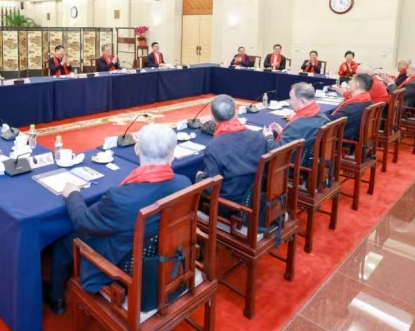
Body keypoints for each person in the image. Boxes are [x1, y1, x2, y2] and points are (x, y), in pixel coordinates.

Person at [46, 124, 190, 314]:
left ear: (136, 148)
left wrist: (73, 194)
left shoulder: (120, 198)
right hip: (164, 255)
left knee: (64, 242)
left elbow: (83, 223)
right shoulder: (184, 183)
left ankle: (56, 298)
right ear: (172, 154)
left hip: (124, 266)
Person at [197, 95, 268, 208]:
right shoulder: (258, 136)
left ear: (212, 118)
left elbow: (209, 188)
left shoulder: (214, 147)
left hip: (231, 206)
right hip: (257, 197)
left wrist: (199, 177)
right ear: (236, 112)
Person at [263, 83, 330, 153]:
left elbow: (275, 151)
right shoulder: (321, 116)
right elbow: (299, 135)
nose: (290, 103)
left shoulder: (297, 125)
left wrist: (269, 137)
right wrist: (283, 132)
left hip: (293, 158)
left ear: (302, 102)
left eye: (291, 99)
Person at [329, 73, 374, 141]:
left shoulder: (353, 106)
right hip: (354, 132)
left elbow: (331, 120)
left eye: (351, 80)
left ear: (357, 85)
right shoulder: (367, 100)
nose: (349, 82)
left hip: (343, 138)